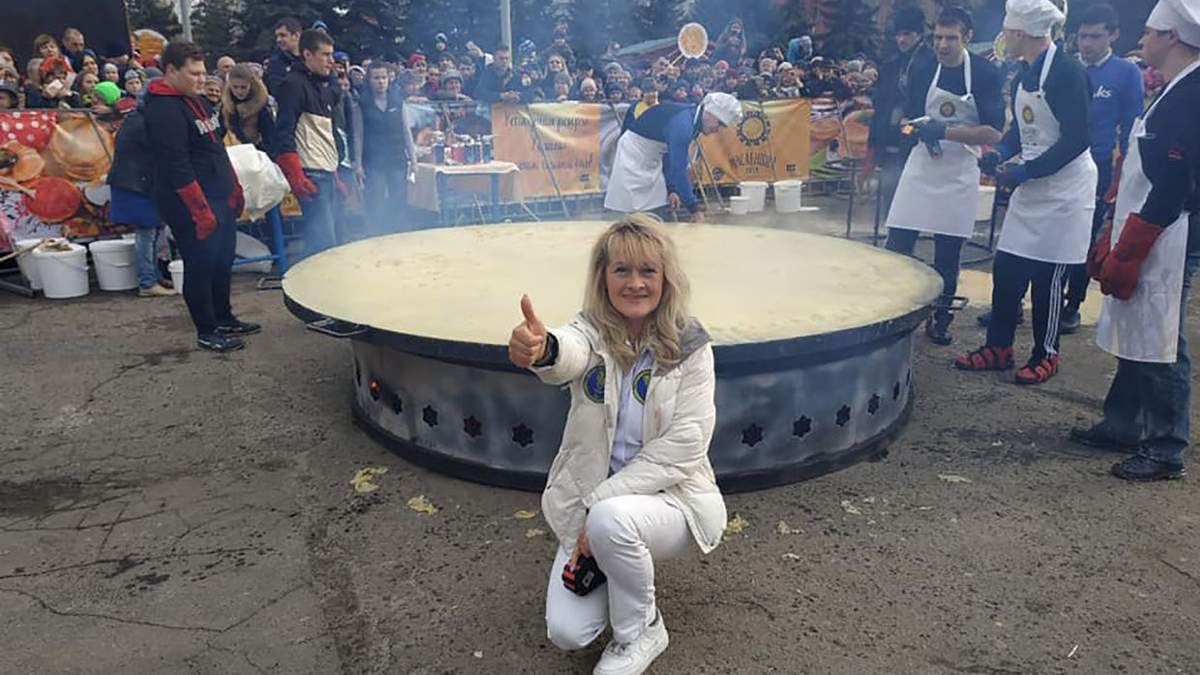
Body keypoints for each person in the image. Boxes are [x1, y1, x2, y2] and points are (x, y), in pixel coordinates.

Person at [507, 215, 726, 675]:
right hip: (598, 508)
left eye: (648, 270)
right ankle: (618, 562)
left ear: (666, 278)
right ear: (602, 276)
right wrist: (543, 348)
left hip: (674, 501)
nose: (635, 283)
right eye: (621, 270)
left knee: (611, 521)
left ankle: (641, 631)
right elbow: (567, 352)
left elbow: (686, 445)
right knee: (568, 632)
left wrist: (598, 504)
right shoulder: (591, 331)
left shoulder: (690, 346)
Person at [1074, 0, 1200, 481]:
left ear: (1171, 38)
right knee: (1136, 325)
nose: (1141, 39)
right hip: (1150, 223)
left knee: (1162, 335)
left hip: (1172, 230)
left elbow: (1177, 182)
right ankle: (1124, 423)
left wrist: (1132, 245)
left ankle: (1165, 446)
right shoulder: (1175, 85)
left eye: (1148, 32)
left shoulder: (1192, 93)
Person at [956, 0, 1096, 385]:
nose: (1003, 37)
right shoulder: (1022, 75)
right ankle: (998, 347)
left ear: (1020, 33)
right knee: (1007, 267)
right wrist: (1000, 153)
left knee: (1047, 276)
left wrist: (1025, 171)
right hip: (1032, 182)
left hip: (1065, 188)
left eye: (1006, 31)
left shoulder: (1067, 73)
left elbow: (1078, 139)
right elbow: (1021, 129)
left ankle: (1046, 354)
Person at [884, 7, 1005, 346]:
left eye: (951, 38)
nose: (942, 45)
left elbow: (994, 132)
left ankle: (941, 317)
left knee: (948, 254)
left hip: (960, 167)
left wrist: (946, 132)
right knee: (897, 243)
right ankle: (891, 309)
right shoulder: (923, 68)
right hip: (923, 162)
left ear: (967, 38)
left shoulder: (984, 73)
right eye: (938, 37)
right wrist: (913, 129)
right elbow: (908, 119)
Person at [143, 41, 255, 353]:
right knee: (201, 263)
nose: (201, 79)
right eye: (194, 73)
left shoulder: (200, 102)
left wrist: (234, 187)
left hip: (218, 194)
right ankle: (207, 330)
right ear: (170, 71)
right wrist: (199, 209)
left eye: (203, 72)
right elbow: (176, 165)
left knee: (222, 259)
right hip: (188, 201)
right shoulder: (163, 110)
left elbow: (216, 148)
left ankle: (224, 317)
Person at [1059, 3, 1146, 334]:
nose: (1087, 44)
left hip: (1097, 166)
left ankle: (1072, 303)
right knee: (1049, 232)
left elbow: (1132, 126)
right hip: (1059, 160)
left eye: (1096, 36)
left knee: (1084, 235)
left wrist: (1123, 177)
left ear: (1114, 35)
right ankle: (1038, 296)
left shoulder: (1126, 73)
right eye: (1083, 36)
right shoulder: (1066, 68)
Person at [605, 92, 740, 222]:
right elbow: (678, 170)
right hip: (633, 154)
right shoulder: (683, 125)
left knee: (656, 207)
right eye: (719, 123)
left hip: (654, 156)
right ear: (709, 113)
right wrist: (694, 209)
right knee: (630, 209)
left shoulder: (693, 121)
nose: (718, 129)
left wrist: (672, 190)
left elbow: (670, 155)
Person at [274, 29, 341, 260]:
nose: (331, 61)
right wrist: (295, 174)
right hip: (311, 173)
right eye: (325, 55)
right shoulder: (293, 84)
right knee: (325, 243)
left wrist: (335, 174)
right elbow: (283, 131)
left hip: (325, 170)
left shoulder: (322, 84)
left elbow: (324, 132)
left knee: (322, 241)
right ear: (307, 55)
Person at [109, 105, 173, 297]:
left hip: (136, 182)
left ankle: (154, 276)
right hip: (136, 185)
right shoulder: (144, 123)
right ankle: (147, 282)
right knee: (146, 233)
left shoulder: (137, 119)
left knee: (154, 231)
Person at [359, 62, 415, 236]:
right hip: (372, 160)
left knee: (399, 199)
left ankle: (399, 235)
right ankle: (376, 235)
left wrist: (413, 159)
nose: (380, 81)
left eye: (383, 77)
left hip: (397, 158)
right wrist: (358, 164)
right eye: (376, 78)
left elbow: (406, 131)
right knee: (375, 200)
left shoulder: (398, 101)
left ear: (389, 79)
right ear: (369, 80)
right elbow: (358, 134)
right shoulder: (361, 104)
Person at [221, 63, 275, 152]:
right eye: (235, 87)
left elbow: (269, 138)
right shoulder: (225, 106)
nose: (239, 91)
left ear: (251, 85)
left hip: (256, 151)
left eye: (243, 87)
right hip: (231, 151)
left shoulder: (261, 106)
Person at [266, 17, 302, 95]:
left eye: (283, 35)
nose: (278, 40)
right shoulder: (275, 63)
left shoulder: (310, 59)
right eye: (277, 36)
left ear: (296, 35)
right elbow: (278, 91)